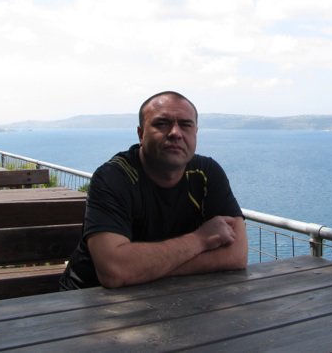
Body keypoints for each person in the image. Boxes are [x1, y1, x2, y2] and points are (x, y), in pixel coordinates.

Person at [60, 91, 247, 289]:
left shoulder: (207, 173)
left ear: (195, 133)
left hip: (174, 296)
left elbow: (237, 255)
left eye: (185, 125)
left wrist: (145, 270)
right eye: (162, 124)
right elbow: (114, 270)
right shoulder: (113, 178)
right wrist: (200, 240)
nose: (175, 133)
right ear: (141, 134)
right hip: (89, 298)